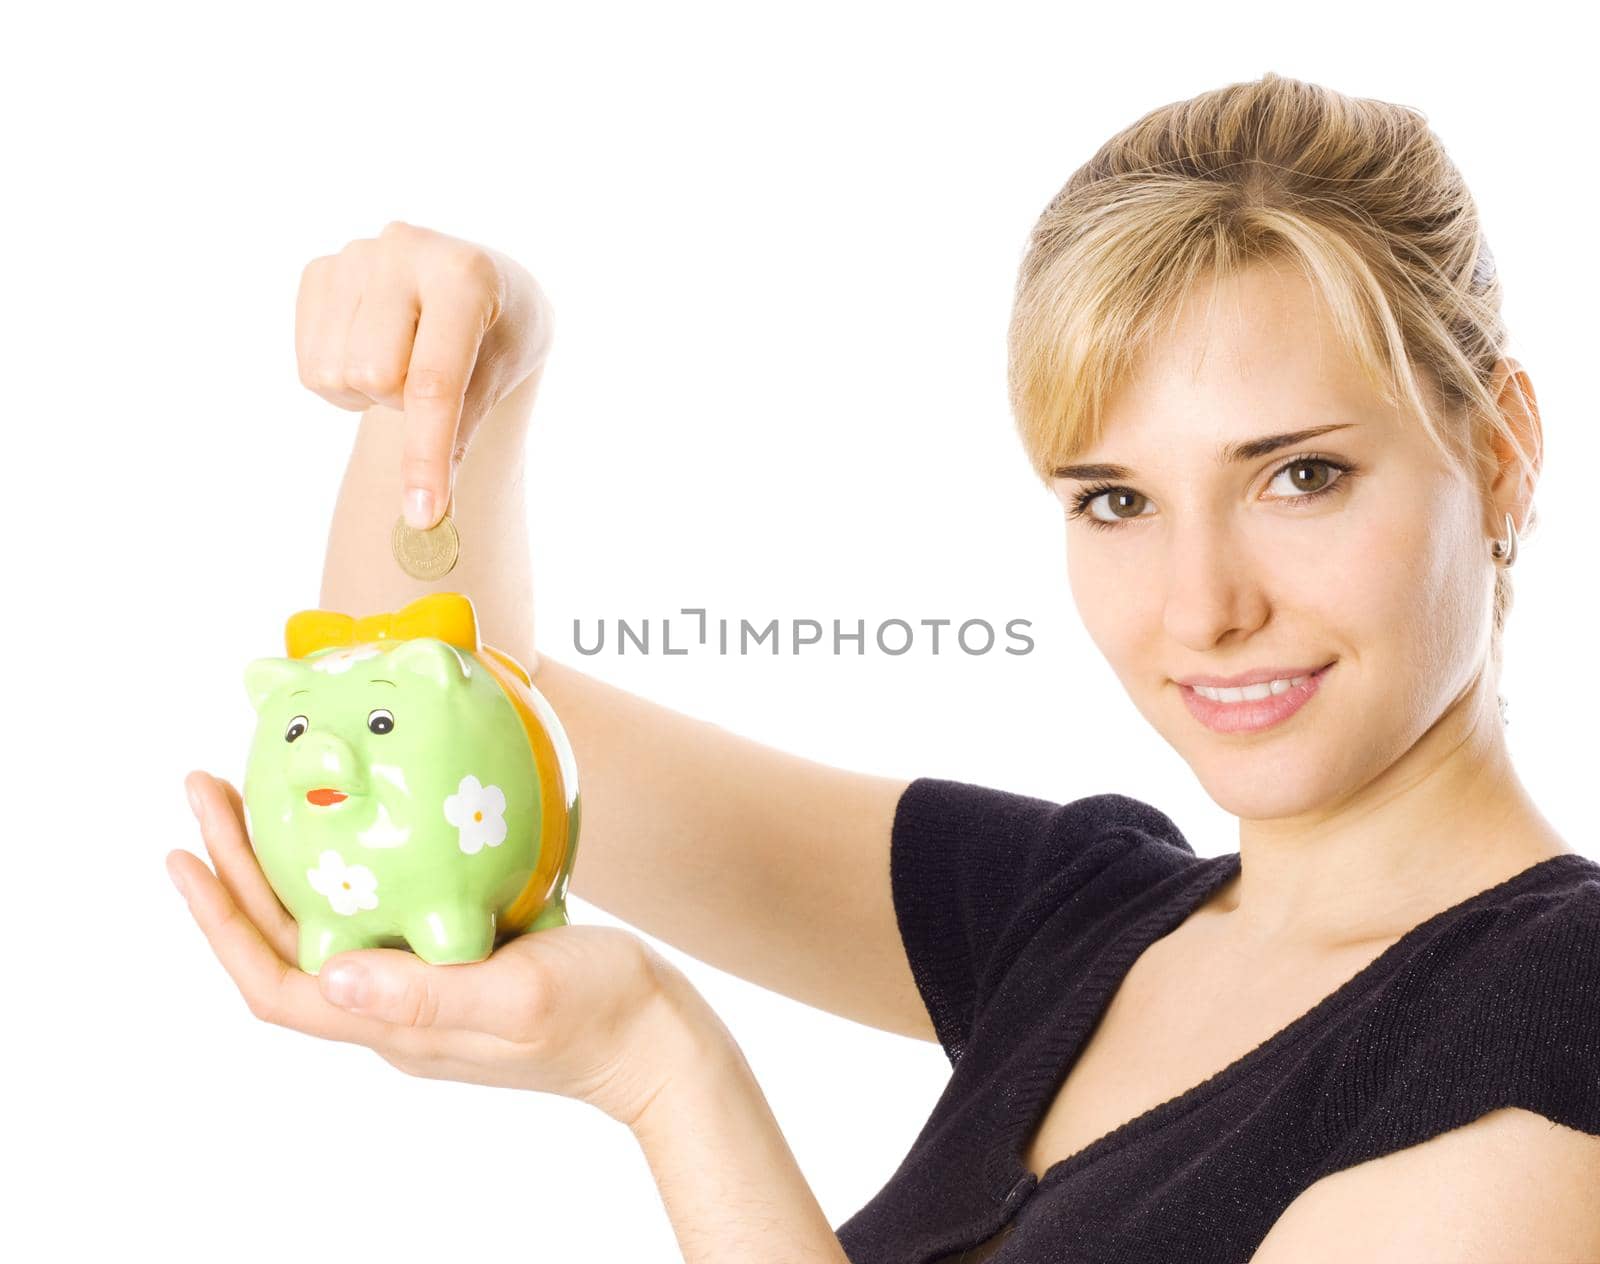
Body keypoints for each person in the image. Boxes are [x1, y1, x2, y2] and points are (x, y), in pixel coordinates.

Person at [167, 71, 1600, 1263]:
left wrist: (665, 1072)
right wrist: (478, 364)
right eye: (1114, 500)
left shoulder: (1557, 1021)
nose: (1201, 606)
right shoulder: (1068, 917)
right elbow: (443, 701)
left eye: (1300, 476)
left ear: (1503, 451)